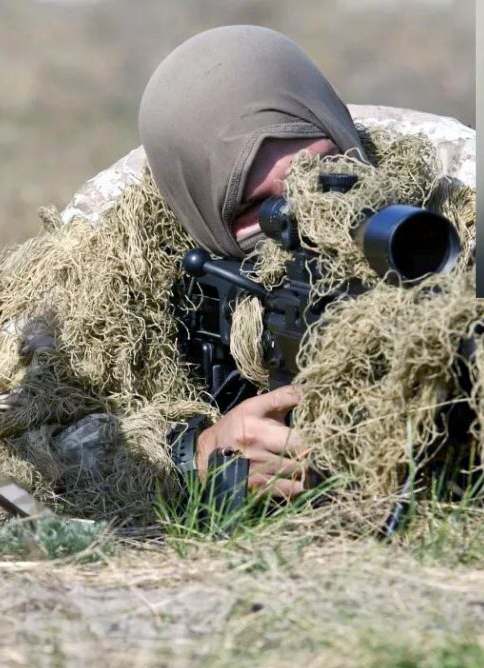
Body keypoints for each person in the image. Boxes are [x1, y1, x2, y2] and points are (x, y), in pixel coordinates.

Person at [138, 25, 368, 498]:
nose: (309, 221)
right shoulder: (121, 246)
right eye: (262, 210)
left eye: (324, 175)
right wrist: (195, 456)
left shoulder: (464, 192)